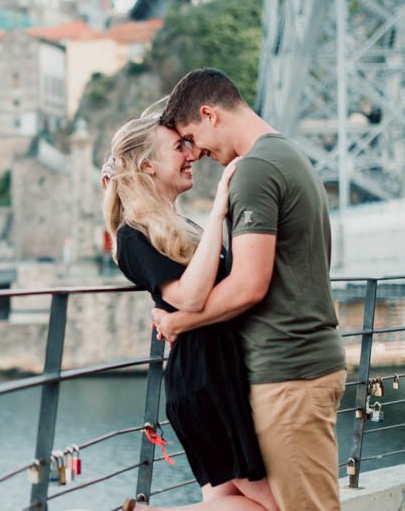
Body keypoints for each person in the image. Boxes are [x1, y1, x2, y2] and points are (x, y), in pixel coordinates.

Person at [152, 68, 346, 511]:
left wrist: (180, 320)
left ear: (209, 114)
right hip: (303, 364)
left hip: (289, 371)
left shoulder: (255, 171)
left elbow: (249, 285)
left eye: (190, 137)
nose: (196, 153)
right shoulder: (286, 155)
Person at [103, 111, 277, 511]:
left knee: (229, 499)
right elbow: (191, 296)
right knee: (277, 505)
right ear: (147, 165)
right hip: (206, 382)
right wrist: (219, 210)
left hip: (218, 374)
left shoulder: (179, 226)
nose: (191, 154)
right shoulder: (132, 235)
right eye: (178, 147)